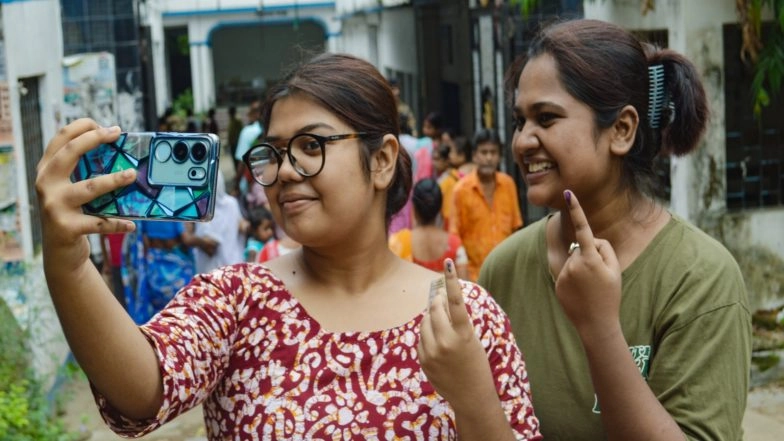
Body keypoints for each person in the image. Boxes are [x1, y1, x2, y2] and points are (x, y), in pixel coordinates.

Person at [35, 53, 541, 440]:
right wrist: (69, 263)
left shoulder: (463, 316)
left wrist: (473, 397)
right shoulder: (234, 301)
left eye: (311, 146)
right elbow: (141, 392)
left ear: (383, 160)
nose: (283, 172)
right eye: (272, 153)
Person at [479, 19, 751, 441]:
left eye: (546, 118)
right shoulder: (504, 269)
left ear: (621, 130)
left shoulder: (700, 279)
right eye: (519, 122)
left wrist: (600, 328)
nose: (522, 142)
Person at [450, 129, 522, 281]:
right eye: (484, 152)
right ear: (475, 155)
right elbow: (455, 238)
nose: (489, 157)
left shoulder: (508, 185)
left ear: (499, 156)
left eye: (493, 152)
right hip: (476, 278)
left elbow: (516, 229)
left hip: (506, 275)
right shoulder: (461, 190)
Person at [389, 178, 469, 279]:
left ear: (414, 208)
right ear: (440, 208)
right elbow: (464, 287)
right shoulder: (455, 245)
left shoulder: (399, 242)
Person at [191, 171, 246, 274]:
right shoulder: (231, 203)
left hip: (214, 272)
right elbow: (242, 226)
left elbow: (210, 248)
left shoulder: (202, 208)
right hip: (233, 267)